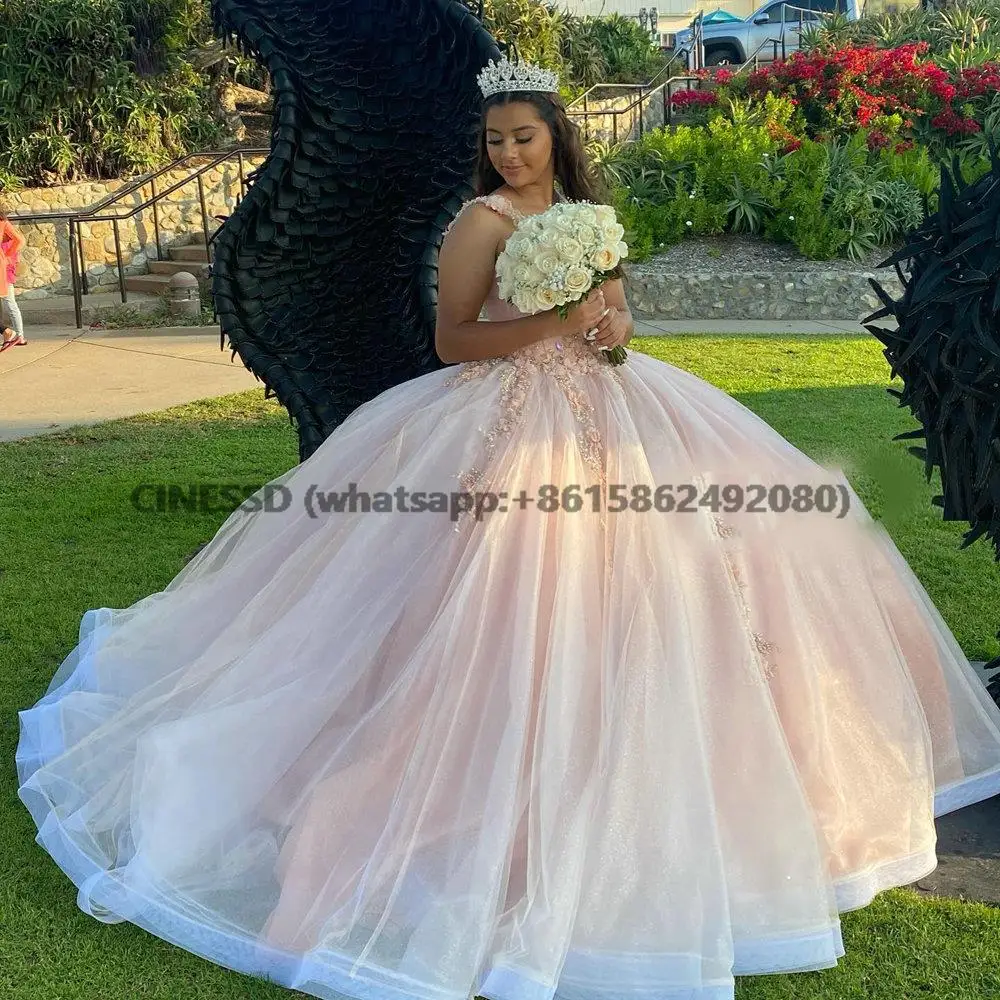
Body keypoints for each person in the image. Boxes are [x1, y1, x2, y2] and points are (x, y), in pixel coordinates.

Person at [15, 58, 1000, 1000]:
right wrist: (549, 325)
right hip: (501, 419)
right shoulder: (477, 222)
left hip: (616, 413)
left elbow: (616, 319)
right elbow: (452, 339)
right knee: (496, 600)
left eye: (523, 139)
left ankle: (684, 798)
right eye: (496, 142)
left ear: (555, 138)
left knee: (694, 582)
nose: (510, 156)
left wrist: (610, 328)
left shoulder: (586, 217)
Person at [0, 209, 26, 351]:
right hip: (3, 266)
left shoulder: (3, 223)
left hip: (4, 268)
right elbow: (19, 240)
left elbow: (19, 240)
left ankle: (13, 334)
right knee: (9, 302)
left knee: (9, 302)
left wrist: (7, 256)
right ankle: (10, 333)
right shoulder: (3, 222)